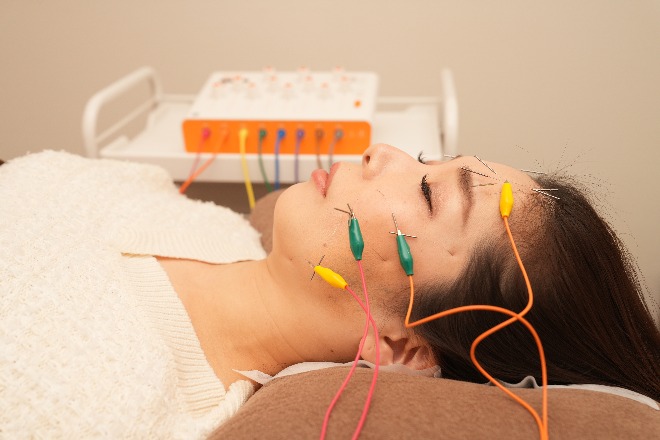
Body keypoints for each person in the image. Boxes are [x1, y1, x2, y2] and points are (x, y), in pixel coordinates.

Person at [0, 144, 658, 438]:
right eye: (428, 159)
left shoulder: (123, 413)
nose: (383, 152)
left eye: (427, 192)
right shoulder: (200, 221)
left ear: (401, 347)